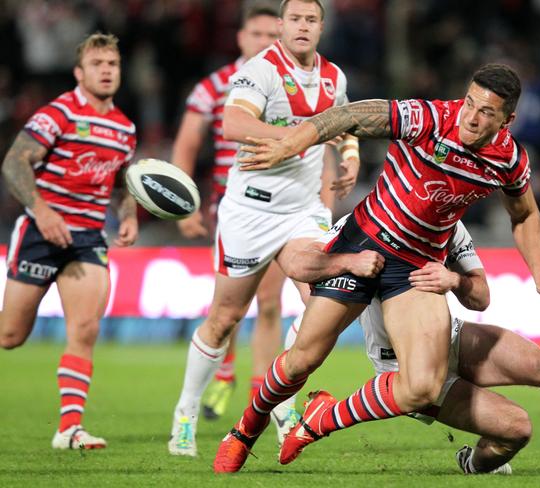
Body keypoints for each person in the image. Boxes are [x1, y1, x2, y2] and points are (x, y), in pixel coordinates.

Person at [214, 63, 540, 473]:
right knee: (301, 360)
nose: (472, 117)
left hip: (416, 266)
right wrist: (290, 143)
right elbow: (350, 116)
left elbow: (525, 215)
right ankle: (246, 428)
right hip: (363, 241)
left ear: (507, 119)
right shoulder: (430, 118)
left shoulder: (508, 158)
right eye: (470, 103)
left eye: (487, 112)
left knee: (421, 388)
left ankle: (324, 418)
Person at [284, 215, 540, 475]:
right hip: (405, 366)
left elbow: (482, 297)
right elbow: (308, 262)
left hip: (452, 335)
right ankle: (474, 464)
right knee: (517, 429)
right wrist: (341, 271)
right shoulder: (363, 220)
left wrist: (454, 280)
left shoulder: (448, 223)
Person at [168, 0, 365, 457]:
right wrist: (302, 136)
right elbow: (233, 121)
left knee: (322, 301)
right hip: (249, 213)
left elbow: (346, 121)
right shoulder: (261, 70)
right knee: (224, 319)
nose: (302, 26)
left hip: (303, 212)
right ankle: (185, 414)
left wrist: (351, 156)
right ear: (281, 26)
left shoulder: (334, 76)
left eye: (310, 19)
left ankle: (282, 406)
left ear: (321, 26)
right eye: (294, 19)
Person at [0, 33, 137, 450]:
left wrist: (129, 213)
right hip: (41, 235)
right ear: (80, 72)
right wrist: (42, 210)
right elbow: (14, 160)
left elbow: (123, 184)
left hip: (88, 238)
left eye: (112, 63)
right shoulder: (58, 113)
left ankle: (69, 429)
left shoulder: (124, 129)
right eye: (98, 64)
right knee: (10, 336)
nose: (107, 70)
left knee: (84, 328)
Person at [171, 5, 285, 425]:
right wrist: (184, 203)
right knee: (230, 307)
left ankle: (263, 399)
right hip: (233, 207)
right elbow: (186, 143)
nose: (263, 43)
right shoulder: (215, 86)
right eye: (256, 34)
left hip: (284, 207)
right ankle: (223, 371)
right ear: (240, 38)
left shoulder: (292, 85)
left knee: (270, 302)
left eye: (272, 36)